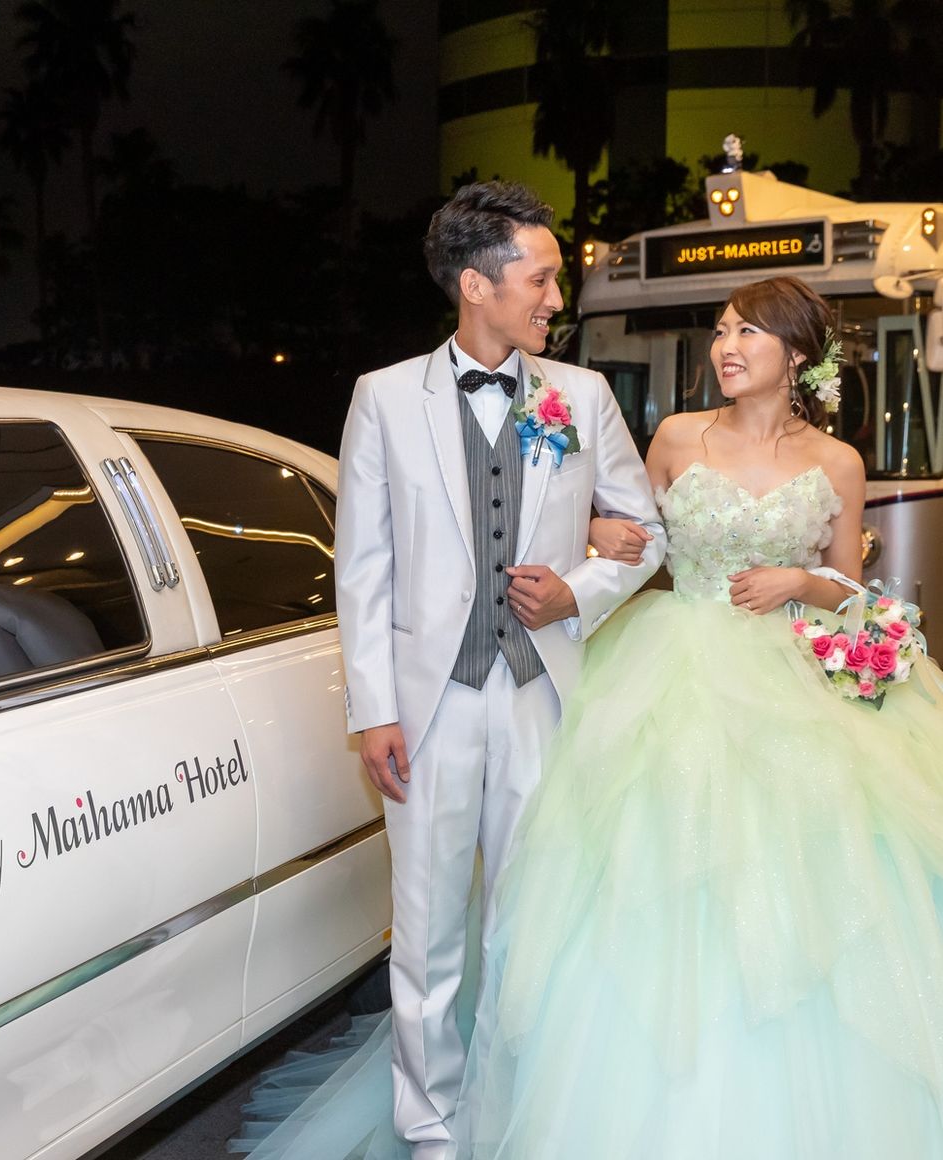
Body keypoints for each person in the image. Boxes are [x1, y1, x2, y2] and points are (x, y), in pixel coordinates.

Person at [231, 275, 943, 1158]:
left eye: (747, 334)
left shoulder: (837, 462)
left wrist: (803, 580)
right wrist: (599, 541)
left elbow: (850, 589)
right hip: (672, 670)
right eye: (722, 331)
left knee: (791, 886)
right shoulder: (678, 436)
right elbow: (629, 530)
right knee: (633, 881)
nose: (725, 347)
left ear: (796, 356)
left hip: (785, 681)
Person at [333, 180, 665, 1159]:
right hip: (424, 707)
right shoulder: (383, 397)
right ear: (476, 284)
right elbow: (363, 566)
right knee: (426, 927)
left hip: (541, 694)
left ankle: (518, 1110)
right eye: (541, 278)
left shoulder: (581, 395)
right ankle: (431, 1126)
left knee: (529, 922)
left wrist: (578, 590)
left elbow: (644, 531)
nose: (556, 297)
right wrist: (372, 708)